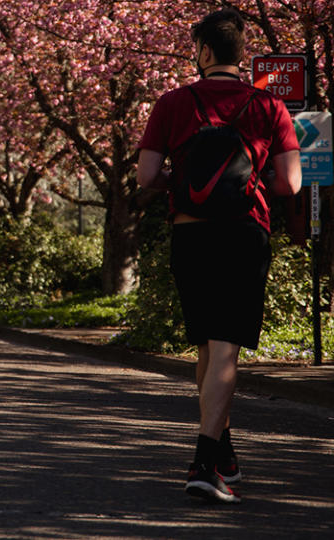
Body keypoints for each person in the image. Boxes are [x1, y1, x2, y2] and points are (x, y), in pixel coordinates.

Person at [136, 8, 301, 503]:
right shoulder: (268, 106)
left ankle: (223, 453)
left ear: (205, 51)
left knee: (207, 346)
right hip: (241, 234)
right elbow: (289, 182)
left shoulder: (172, 103)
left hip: (190, 235)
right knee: (227, 344)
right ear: (239, 53)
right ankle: (205, 464)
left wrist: (183, 186)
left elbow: (145, 177)